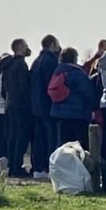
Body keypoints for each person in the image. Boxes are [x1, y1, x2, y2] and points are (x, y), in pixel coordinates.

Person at [47, 47, 100, 148]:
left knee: (63, 145)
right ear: (74, 58)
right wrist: (95, 106)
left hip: (59, 114)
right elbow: (88, 92)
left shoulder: (57, 72)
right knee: (79, 145)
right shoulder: (76, 73)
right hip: (78, 114)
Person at [0, 39, 33, 177]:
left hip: (10, 103)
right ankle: (17, 167)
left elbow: (3, 89)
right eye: (25, 46)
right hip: (20, 105)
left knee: (12, 136)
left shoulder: (7, 66)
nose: (28, 48)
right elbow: (24, 86)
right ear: (19, 48)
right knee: (22, 136)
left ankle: (12, 166)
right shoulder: (21, 65)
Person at [29, 34, 61, 178]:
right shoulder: (51, 61)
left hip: (36, 105)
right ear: (52, 45)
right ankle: (49, 167)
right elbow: (52, 83)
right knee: (51, 137)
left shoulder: (36, 62)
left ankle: (37, 167)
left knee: (39, 138)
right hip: (48, 105)